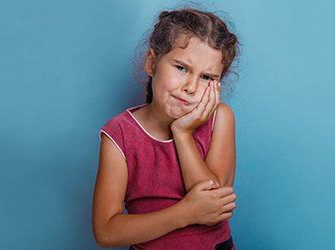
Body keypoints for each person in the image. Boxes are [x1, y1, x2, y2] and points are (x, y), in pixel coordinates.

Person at [92, 6, 240, 250]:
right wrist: (184, 213)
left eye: (207, 77)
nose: (191, 87)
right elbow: (106, 232)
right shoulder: (119, 134)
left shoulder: (220, 118)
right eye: (181, 68)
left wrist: (182, 134)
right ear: (152, 63)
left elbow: (214, 205)